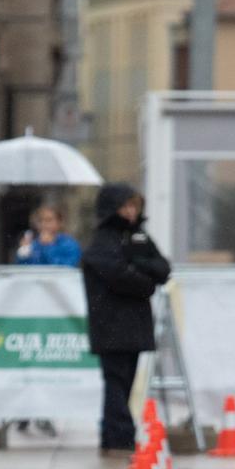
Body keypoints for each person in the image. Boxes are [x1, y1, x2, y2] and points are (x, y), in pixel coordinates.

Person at [83, 183, 171, 453]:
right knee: (116, 381)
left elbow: (163, 268)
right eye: (125, 206)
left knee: (125, 381)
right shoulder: (103, 241)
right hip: (110, 323)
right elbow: (118, 275)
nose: (131, 211)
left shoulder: (138, 236)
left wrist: (139, 265)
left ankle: (114, 434)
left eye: (134, 205)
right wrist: (145, 280)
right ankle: (119, 435)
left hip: (133, 324)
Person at [15, 205, 82, 267]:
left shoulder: (69, 245)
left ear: (59, 222)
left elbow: (68, 266)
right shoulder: (33, 244)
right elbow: (23, 268)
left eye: (49, 220)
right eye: (40, 220)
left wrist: (48, 247)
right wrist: (23, 253)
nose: (44, 224)